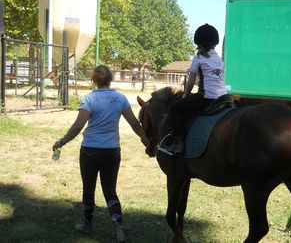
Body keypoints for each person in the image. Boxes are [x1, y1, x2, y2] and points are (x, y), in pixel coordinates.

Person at [52, 65, 149, 242]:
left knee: (89, 188)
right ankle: (119, 228)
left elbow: (78, 126)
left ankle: (87, 225)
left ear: (94, 80)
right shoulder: (120, 98)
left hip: (90, 150)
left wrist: (62, 141)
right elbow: (135, 124)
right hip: (112, 151)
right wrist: (146, 140)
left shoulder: (89, 99)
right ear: (111, 78)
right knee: (110, 190)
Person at [159, 23, 227, 155]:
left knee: (174, 109)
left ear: (199, 43)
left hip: (206, 97)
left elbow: (190, 83)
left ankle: (177, 143)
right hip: (223, 97)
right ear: (215, 43)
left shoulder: (198, 58)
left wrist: (185, 95)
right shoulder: (220, 59)